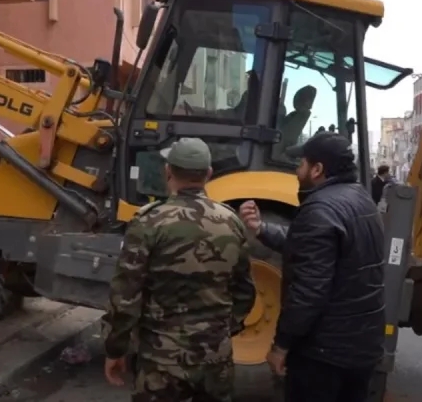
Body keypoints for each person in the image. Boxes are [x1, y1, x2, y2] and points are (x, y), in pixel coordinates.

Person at [102, 137, 256, 402]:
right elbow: (245, 292)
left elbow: (125, 297)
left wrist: (115, 349)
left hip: (161, 362)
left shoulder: (149, 221)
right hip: (215, 360)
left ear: (168, 171)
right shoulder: (231, 222)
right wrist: (221, 330)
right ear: (208, 174)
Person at [239, 132, 386, 402]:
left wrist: (281, 345)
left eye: (302, 164)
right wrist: (261, 229)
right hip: (362, 348)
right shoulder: (362, 199)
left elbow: (309, 292)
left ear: (317, 170)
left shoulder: (320, 209)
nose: (298, 171)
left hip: (323, 356)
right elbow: (314, 251)